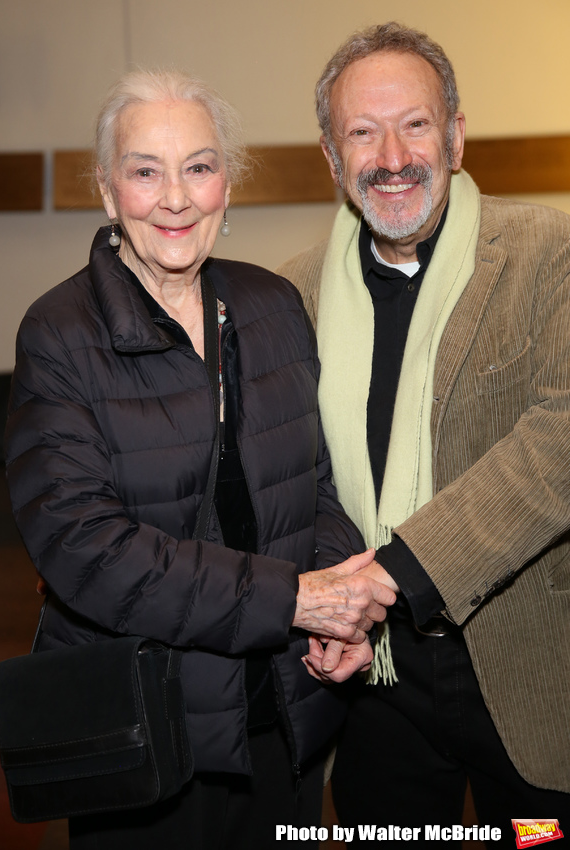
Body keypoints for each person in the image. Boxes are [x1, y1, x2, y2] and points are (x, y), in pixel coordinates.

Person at [4, 69, 397, 850]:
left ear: (228, 186)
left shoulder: (272, 304)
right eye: (145, 171)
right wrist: (296, 599)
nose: (175, 198)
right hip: (149, 732)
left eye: (200, 167)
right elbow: (87, 549)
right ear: (110, 192)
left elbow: (312, 485)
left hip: (283, 714)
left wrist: (340, 612)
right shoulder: (58, 334)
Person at [277, 22, 570, 847]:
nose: (393, 155)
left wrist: (391, 573)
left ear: (456, 135)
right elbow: (287, 473)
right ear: (332, 160)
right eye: (362, 133)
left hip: (528, 671)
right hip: (372, 682)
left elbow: (562, 441)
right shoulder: (289, 295)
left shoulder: (550, 253)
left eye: (414, 124)